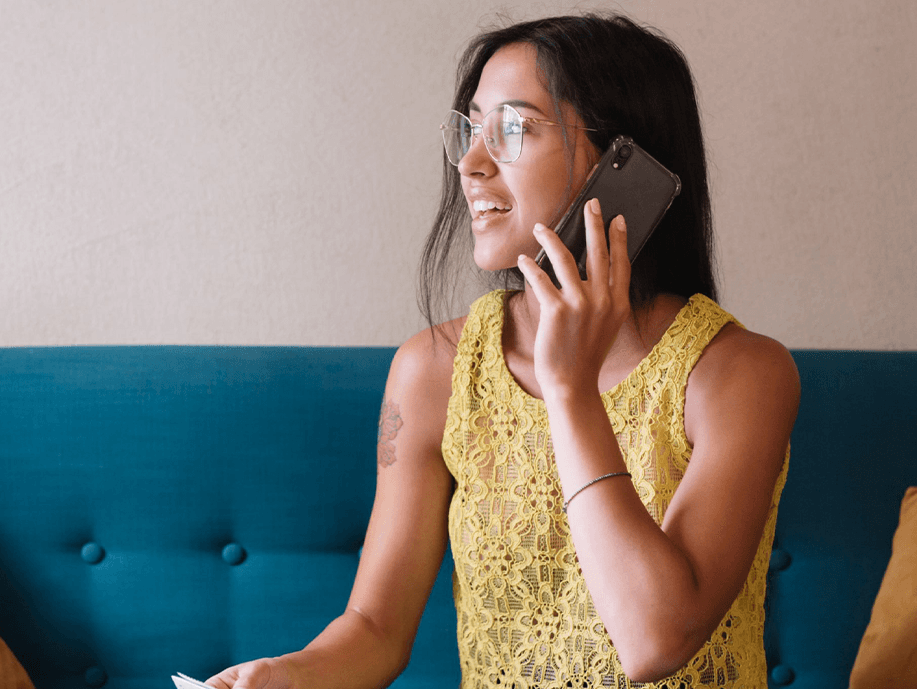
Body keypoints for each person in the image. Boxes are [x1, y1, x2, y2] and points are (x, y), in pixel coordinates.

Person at [208, 13, 799, 689]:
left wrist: (569, 388)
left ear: (622, 164)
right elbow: (375, 627)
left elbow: (655, 639)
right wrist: (279, 677)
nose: (471, 163)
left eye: (514, 129)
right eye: (471, 129)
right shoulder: (432, 369)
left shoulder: (740, 374)